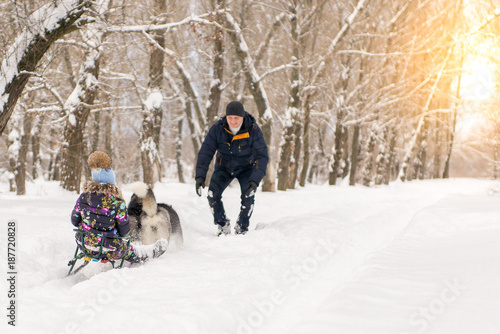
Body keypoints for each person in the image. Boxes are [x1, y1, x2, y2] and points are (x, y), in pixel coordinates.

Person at [70, 151, 166, 263]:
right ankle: (148, 252)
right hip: (109, 249)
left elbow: (74, 221)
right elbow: (124, 230)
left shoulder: (83, 197)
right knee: (131, 251)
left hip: (84, 245)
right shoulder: (117, 202)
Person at [195, 101, 268, 235]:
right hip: (224, 167)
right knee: (212, 194)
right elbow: (206, 152)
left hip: (247, 168)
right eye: (230, 118)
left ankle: (242, 226)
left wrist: (255, 180)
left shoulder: (253, 130)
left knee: (248, 196)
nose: (233, 121)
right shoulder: (218, 128)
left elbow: (262, 156)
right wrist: (200, 176)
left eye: (236, 118)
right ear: (226, 117)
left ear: (242, 117)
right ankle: (222, 224)